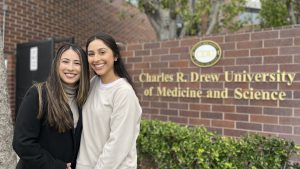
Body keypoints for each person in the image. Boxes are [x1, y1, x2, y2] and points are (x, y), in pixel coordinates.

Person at [13, 43, 90, 169]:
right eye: (65, 61)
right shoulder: (38, 94)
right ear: (56, 64)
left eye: (77, 63)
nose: (71, 68)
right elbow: (22, 143)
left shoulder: (83, 99)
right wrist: (56, 166)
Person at [76, 32, 142, 169]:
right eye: (91, 54)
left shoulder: (123, 93)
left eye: (102, 52)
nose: (96, 58)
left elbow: (118, 144)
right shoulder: (93, 83)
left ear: (115, 56)